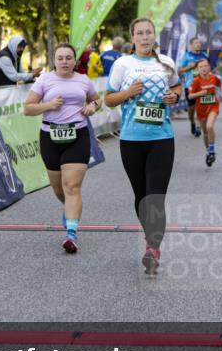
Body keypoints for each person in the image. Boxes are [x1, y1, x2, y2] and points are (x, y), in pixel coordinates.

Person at [104, 17, 181, 275]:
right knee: (141, 197)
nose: (145, 37)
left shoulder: (166, 63)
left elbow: (177, 86)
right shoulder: (122, 64)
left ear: (154, 36)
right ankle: (151, 237)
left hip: (161, 139)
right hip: (131, 140)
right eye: (140, 33)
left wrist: (174, 96)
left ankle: (152, 248)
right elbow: (109, 99)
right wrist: (128, 93)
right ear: (133, 37)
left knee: (155, 197)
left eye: (149, 32)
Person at [24, 44, 102, 254]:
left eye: (69, 58)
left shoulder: (83, 80)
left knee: (72, 186)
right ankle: (69, 209)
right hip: (50, 137)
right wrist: (48, 105)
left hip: (78, 136)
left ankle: (71, 234)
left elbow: (97, 100)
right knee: (59, 189)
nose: (65, 61)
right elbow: (27, 108)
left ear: (75, 61)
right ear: (54, 60)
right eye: (60, 58)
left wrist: (92, 106)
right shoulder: (45, 80)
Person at [187, 58, 222, 167]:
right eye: (201, 67)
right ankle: (208, 151)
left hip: (213, 106)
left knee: (209, 127)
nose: (203, 68)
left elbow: (220, 85)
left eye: (205, 66)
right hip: (201, 110)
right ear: (197, 70)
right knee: (205, 133)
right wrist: (199, 93)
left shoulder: (214, 78)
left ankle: (212, 150)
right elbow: (190, 96)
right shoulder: (196, 81)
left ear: (209, 67)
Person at [178, 37, 210, 138]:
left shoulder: (204, 56)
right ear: (191, 45)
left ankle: (198, 127)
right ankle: (192, 123)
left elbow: (210, 69)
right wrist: (189, 67)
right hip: (190, 85)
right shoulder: (187, 56)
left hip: (202, 85)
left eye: (199, 43)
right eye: (196, 43)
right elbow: (179, 70)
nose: (198, 44)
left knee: (201, 106)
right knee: (191, 108)